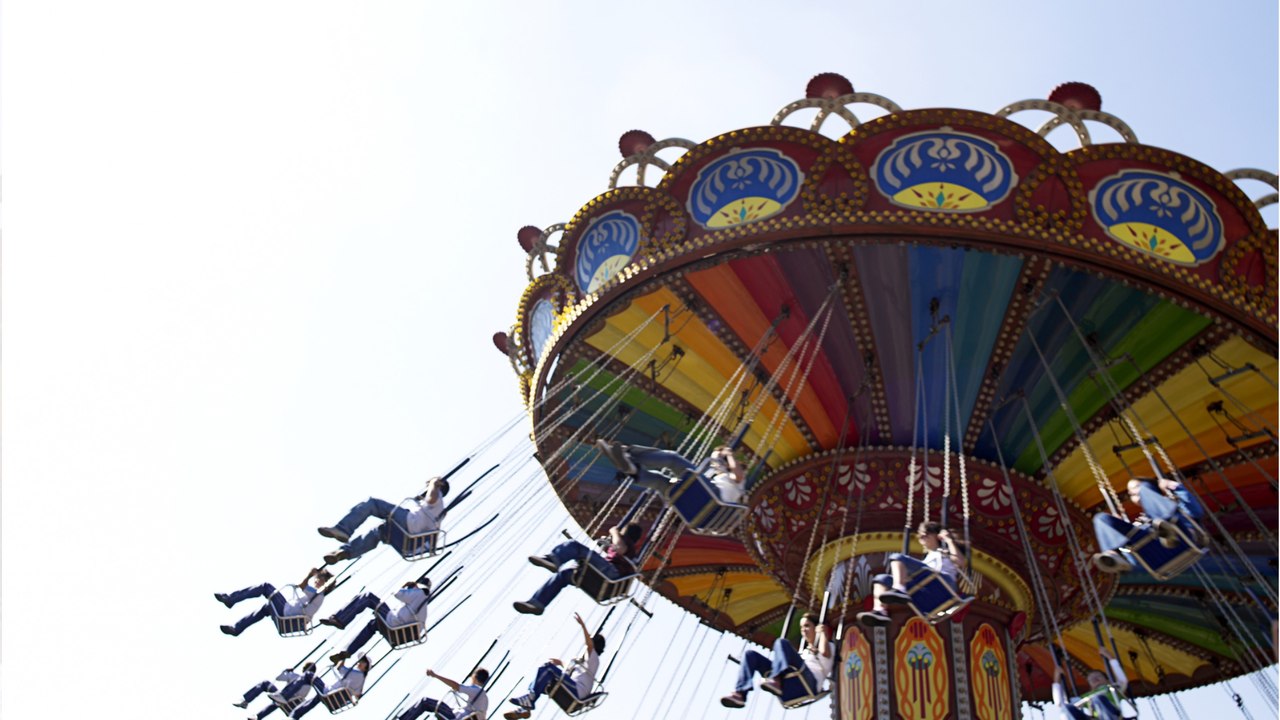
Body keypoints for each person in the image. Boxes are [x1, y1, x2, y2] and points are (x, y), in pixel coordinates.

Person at [513, 522, 643, 615]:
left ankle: (553, 560)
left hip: (611, 575)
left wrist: (614, 532)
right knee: (564, 575)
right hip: (607, 583)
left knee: (575, 546)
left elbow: (619, 548)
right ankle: (537, 603)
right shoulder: (631, 555)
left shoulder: (626, 543)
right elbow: (617, 553)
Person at [319, 476, 450, 564]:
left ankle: (343, 529)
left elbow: (431, 497)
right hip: (409, 543)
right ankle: (345, 552)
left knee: (373, 503)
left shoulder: (437, 497)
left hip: (409, 525)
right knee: (380, 531)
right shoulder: (439, 513)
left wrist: (433, 483)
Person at [857, 522, 967, 627]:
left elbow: (960, 562)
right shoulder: (927, 559)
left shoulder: (946, 552)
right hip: (926, 586)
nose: (922, 537)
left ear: (937, 535)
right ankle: (880, 611)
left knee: (897, 557)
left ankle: (899, 589)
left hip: (944, 583)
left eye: (926, 534)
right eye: (920, 536)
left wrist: (949, 540)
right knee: (881, 579)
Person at [1093, 476, 1206, 573]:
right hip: (1152, 551)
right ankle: (1112, 555)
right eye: (1131, 493)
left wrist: (1174, 486)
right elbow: (1132, 555)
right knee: (1101, 518)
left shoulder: (1174, 505)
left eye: (1137, 487)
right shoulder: (1139, 523)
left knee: (1156, 508)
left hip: (1183, 537)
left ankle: (1168, 530)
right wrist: (1116, 533)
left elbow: (1195, 512)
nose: (1135, 492)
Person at [720, 612, 834, 708]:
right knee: (750, 655)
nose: (803, 630)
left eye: (807, 626)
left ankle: (776, 679)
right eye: (802, 627)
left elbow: (825, 653)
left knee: (781, 642)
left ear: (817, 627)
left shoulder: (828, 646)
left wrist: (823, 633)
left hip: (810, 682)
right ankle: (740, 693)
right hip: (793, 679)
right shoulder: (804, 652)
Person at [504, 613, 602, 720]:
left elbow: (589, 644)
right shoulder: (585, 664)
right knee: (541, 679)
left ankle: (530, 699)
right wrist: (560, 663)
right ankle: (524, 708)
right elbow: (572, 669)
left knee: (548, 668)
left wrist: (583, 625)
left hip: (577, 691)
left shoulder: (594, 658)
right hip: (572, 688)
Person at [596, 440, 747, 503]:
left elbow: (738, 475)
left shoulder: (732, 479)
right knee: (661, 482)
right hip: (694, 504)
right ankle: (633, 469)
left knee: (672, 459)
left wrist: (728, 454)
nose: (715, 465)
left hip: (708, 497)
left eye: (718, 462)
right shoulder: (714, 479)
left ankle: (628, 453)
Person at [322, 578, 431, 662]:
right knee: (373, 625)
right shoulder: (423, 607)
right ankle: (346, 651)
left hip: (394, 623)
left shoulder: (419, 593)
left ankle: (340, 619)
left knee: (368, 596)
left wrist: (406, 585)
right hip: (400, 634)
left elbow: (398, 593)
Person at [217, 567, 335, 636]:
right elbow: (301, 586)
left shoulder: (318, 595)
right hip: (287, 618)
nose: (318, 582)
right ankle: (236, 628)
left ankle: (231, 599)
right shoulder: (314, 595)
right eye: (318, 579)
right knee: (266, 608)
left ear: (326, 585)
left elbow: (302, 585)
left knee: (265, 586)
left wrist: (309, 574)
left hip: (287, 616)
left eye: (322, 581)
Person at [1052, 647, 1129, 720]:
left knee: (1098, 699)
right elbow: (1061, 703)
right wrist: (1057, 680)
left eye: (1098, 676)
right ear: (1090, 686)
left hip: (1111, 714)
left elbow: (1122, 680)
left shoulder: (1114, 688)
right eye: (1091, 679)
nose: (1095, 679)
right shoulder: (1085, 697)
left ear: (1107, 680)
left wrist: (1110, 657)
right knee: (1068, 708)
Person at [286, 656, 370, 718]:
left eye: (362, 661)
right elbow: (357, 695)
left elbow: (339, 667)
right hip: (336, 702)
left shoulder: (356, 673)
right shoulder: (361, 682)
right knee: (316, 698)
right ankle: (296, 714)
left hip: (329, 694)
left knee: (309, 675)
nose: (359, 662)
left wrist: (343, 656)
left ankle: (285, 695)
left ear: (366, 666)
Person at [397, 667, 490, 720]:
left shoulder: (476, 690)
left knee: (425, 701)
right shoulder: (484, 699)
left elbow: (456, 686)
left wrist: (435, 675)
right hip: (459, 716)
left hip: (455, 717)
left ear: (474, 677)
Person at [233, 663, 317, 720]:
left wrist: (285, 671)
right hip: (292, 703)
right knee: (277, 701)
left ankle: (246, 700)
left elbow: (278, 678)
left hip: (286, 699)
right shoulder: (310, 684)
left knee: (265, 684)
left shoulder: (296, 676)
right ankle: (257, 716)